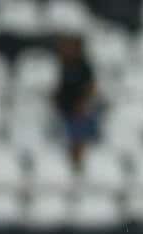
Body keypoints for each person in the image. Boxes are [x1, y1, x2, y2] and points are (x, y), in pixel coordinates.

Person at [52, 35, 102, 170]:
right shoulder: (62, 64)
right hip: (66, 109)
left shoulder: (83, 66)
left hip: (78, 109)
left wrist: (83, 104)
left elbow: (90, 87)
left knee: (78, 132)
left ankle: (77, 159)